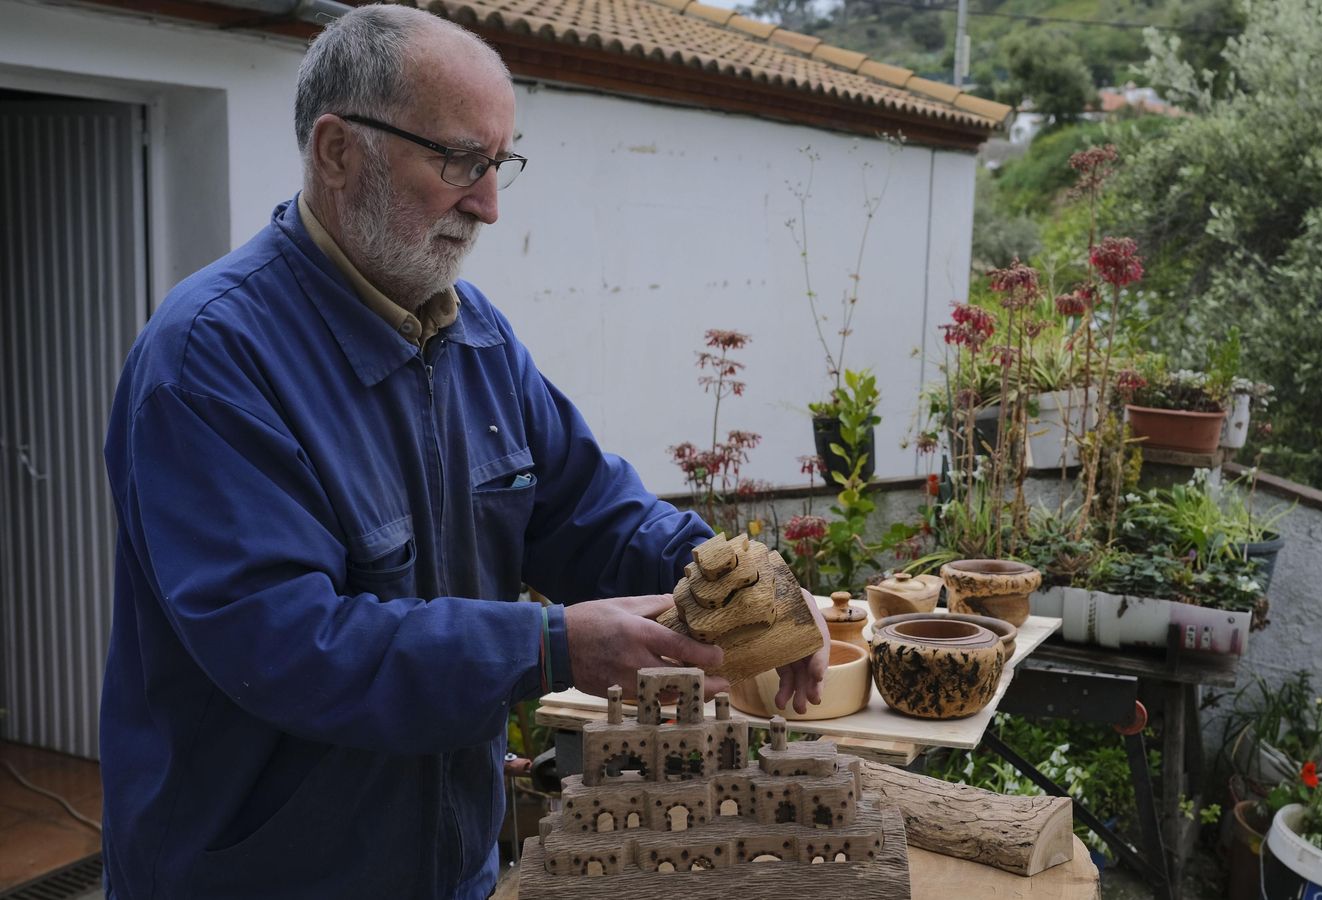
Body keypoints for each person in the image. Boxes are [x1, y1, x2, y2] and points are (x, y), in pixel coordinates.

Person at [98, 7, 827, 898]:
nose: (486, 203)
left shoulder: (473, 333)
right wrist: (552, 648)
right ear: (337, 152)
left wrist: (737, 578)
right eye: (458, 161)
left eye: (499, 164)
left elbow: (587, 509)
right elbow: (287, 646)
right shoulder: (209, 358)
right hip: (259, 874)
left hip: (446, 868)